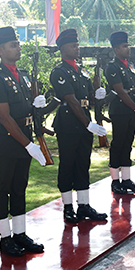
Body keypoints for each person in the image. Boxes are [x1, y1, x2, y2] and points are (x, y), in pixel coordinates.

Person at [0, 26, 52, 257]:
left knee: (20, 187)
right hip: (8, 141)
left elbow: (26, 108)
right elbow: (5, 117)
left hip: (25, 136)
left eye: (17, 44)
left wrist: (38, 105)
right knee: (4, 187)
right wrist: (28, 145)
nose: (18, 48)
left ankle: (20, 234)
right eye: (13, 45)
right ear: (0, 50)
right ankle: (5, 238)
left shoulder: (22, 75)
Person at [50, 28, 109, 224]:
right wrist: (88, 123)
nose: (78, 48)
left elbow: (87, 96)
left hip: (84, 121)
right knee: (68, 164)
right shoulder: (59, 72)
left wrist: (98, 94)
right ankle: (68, 207)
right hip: (69, 123)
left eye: (78, 44)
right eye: (73, 45)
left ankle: (83, 205)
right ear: (63, 48)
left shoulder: (82, 70)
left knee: (83, 163)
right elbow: (71, 100)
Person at [104, 31, 135, 195]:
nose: (128, 48)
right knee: (118, 144)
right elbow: (120, 92)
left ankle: (126, 179)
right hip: (120, 110)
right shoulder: (112, 67)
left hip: (130, 110)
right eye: (125, 46)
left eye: (128, 45)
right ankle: (115, 181)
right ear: (116, 49)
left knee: (128, 144)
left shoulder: (129, 65)